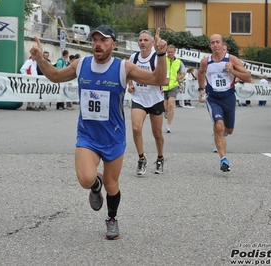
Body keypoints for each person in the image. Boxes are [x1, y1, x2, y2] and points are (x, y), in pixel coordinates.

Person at [30, 25, 167, 240]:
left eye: (103, 40)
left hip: (113, 137)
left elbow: (158, 80)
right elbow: (55, 76)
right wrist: (40, 59)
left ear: (113, 44)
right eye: (95, 40)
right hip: (88, 136)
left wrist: (160, 54)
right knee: (86, 179)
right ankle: (96, 184)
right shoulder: (81, 64)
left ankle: (111, 218)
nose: (98, 44)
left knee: (112, 185)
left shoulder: (123, 68)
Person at [197, 34, 251, 172]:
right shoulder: (206, 61)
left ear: (222, 44)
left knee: (229, 130)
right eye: (212, 43)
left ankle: (221, 132)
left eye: (217, 42)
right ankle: (223, 159)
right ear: (210, 45)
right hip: (213, 98)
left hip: (229, 98)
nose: (215, 45)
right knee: (219, 125)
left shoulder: (231, 59)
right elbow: (201, 73)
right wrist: (201, 89)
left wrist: (233, 70)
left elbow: (248, 77)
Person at [127, 30, 168, 175]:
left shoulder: (158, 58)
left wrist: (149, 80)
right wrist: (130, 84)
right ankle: (141, 158)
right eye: (140, 40)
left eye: (145, 40)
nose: (142, 43)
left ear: (152, 42)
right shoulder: (134, 57)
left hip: (155, 99)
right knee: (136, 128)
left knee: (157, 133)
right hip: (139, 99)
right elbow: (128, 74)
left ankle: (160, 157)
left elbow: (166, 80)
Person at [164, 44, 186, 133]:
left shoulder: (179, 62)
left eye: (172, 52)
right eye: (168, 52)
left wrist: (180, 77)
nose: (170, 53)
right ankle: (165, 111)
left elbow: (183, 72)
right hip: (163, 85)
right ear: (166, 52)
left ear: (175, 52)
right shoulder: (162, 60)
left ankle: (168, 125)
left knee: (171, 103)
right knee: (165, 106)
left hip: (173, 85)